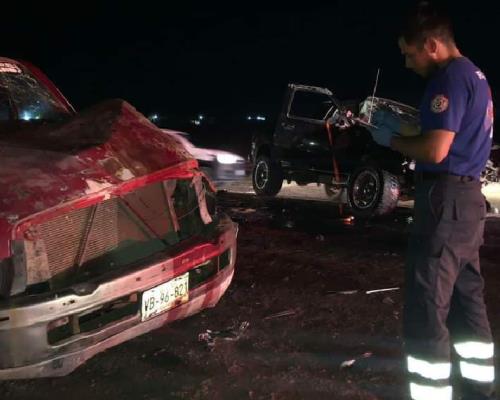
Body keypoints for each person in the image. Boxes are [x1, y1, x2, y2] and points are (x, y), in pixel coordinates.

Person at [368, 2, 496, 399]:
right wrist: (402, 124)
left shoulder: (449, 79)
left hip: (445, 203)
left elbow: (437, 149)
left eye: (410, 53)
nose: (407, 63)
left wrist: (392, 139)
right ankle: (480, 391)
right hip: (468, 202)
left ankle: (430, 393)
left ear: (433, 45)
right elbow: (443, 132)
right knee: (466, 303)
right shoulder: (475, 74)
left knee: (427, 309)